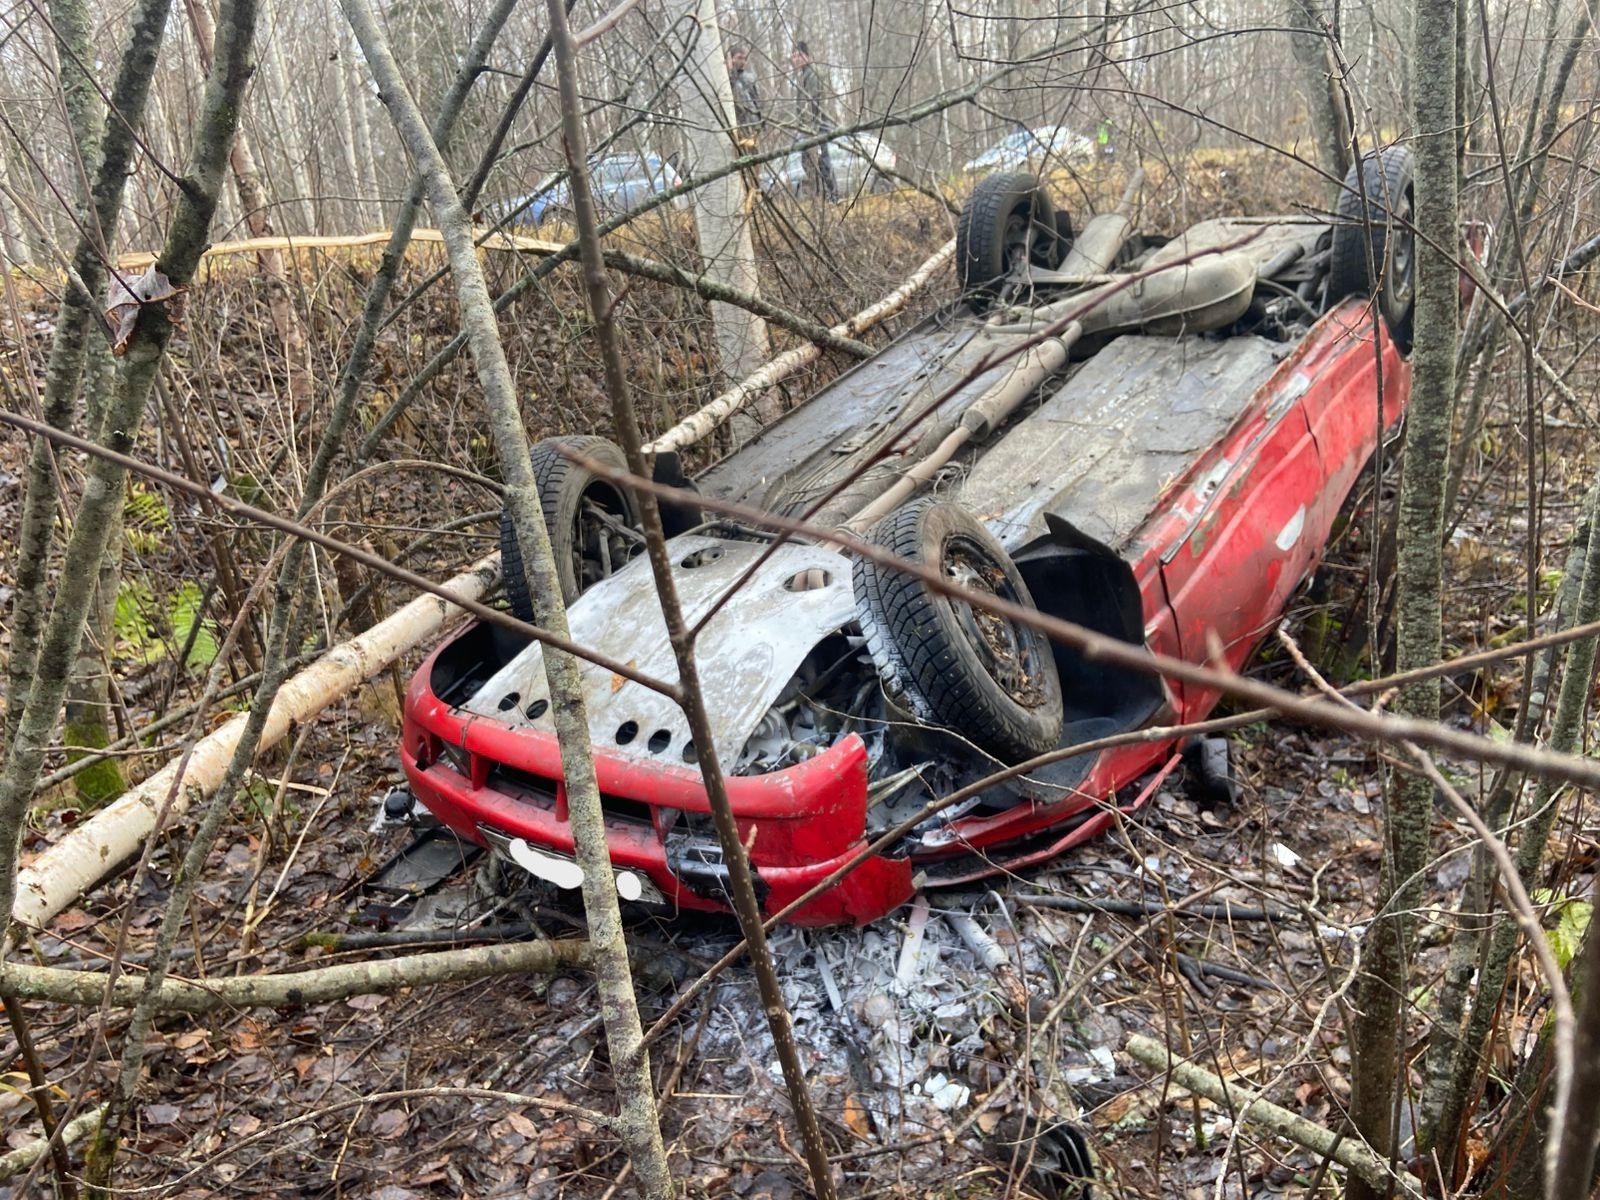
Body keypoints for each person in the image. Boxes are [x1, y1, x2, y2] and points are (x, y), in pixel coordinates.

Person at [789, 41, 838, 201]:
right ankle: (821, 196)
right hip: (808, 128)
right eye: (793, 56)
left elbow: (811, 103)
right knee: (807, 161)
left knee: (823, 160)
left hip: (817, 126)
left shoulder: (813, 74)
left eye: (798, 55)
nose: (795, 59)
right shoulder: (803, 75)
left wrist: (809, 131)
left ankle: (833, 196)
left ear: (806, 56)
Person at [727, 43, 763, 153]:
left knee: (754, 155)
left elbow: (756, 102)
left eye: (744, 59)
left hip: (751, 123)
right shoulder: (727, 79)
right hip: (737, 124)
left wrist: (759, 122)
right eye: (738, 58)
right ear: (731, 59)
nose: (742, 62)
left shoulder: (750, 78)